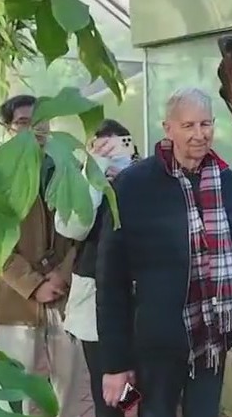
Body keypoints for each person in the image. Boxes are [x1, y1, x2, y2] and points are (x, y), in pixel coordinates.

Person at [97, 87, 232, 417]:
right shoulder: (132, 186)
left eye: (205, 124)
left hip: (213, 343)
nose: (199, 135)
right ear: (167, 129)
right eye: (188, 126)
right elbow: (110, 282)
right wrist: (115, 364)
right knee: (140, 412)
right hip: (152, 348)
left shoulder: (229, 183)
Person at [0, 94, 83, 415]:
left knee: (69, 387)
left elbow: (80, 232)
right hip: (16, 302)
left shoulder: (66, 168)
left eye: (39, 122)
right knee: (12, 392)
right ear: (9, 128)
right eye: (23, 123)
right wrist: (31, 284)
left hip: (63, 298)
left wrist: (63, 274)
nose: (33, 130)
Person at [58, 119, 140, 417]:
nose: (111, 150)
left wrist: (128, 177)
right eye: (101, 145)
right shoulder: (84, 181)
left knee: (135, 388)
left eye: (118, 144)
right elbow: (71, 227)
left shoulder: (145, 176)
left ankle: (131, 409)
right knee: (106, 387)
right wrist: (94, 174)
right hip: (96, 305)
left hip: (139, 302)